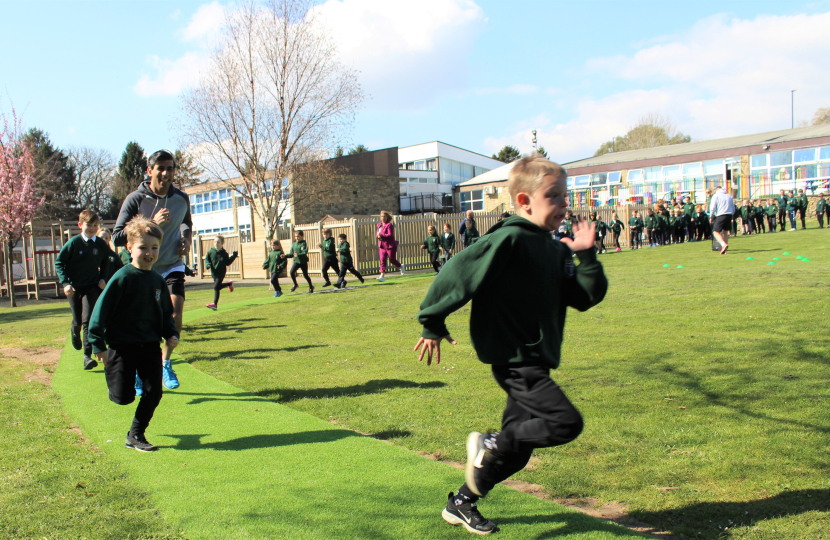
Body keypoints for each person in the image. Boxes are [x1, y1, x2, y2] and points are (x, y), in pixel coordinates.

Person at [413, 155, 607, 536]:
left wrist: (585, 254)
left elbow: (585, 297)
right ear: (524, 201)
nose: (564, 204)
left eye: (565, 196)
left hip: (536, 360)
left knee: (517, 455)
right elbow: (457, 273)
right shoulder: (509, 238)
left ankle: (461, 503)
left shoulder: (555, 249)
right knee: (565, 423)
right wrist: (432, 322)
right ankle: (491, 441)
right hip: (516, 360)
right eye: (554, 196)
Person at [88, 216, 179, 452]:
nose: (149, 253)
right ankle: (115, 379)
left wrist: (170, 333)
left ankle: (136, 434)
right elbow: (101, 311)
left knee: (154, 392)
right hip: (122, 345)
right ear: (129, 248)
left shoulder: (158, 281)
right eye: (143, 248)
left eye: (154, 248)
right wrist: (97, 343)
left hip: (149, 344)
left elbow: (165, 313)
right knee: (123, 397)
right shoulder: (123, 277)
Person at [112, 149, 190, 391]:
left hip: (171, 265)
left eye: (171, 168)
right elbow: (116, 237)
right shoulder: (135, 199)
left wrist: (185, 238)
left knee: (175, 313)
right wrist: (152, 223)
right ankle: (137, 370)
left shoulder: (181, 198)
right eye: (161, 168)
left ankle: (166, 362)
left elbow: (186, 222)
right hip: (143, 269)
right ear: (150, 171)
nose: (166, 173)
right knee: (141, 321)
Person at [54, 209, 110, 370]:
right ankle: (74, 331)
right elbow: (59, 263)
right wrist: (65, 283)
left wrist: (103, 278)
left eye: (95, 225)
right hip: (74, 287)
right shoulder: (73, 243)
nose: (92, 228)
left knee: (88, 320)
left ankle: (87, 356)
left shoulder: (100, 244)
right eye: (89, 225)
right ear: (80, 225)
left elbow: (106, 261)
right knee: (78, 320)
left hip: (92, 287)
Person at [204, 235, 237, 310]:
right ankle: (229, 284)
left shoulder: (224, 253)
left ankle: (214, 304)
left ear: (222, 243)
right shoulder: (211, 252)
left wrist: (234, 256)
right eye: (215, 242)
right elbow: (207, 260)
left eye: (218, 242)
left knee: (216, 287)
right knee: (218, 287)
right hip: (214, 273)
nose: (216, 244)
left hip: (221, 273)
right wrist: (207, 265)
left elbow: (228, 263)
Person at [376, 211, 405, 282]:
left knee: (392, 260)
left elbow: (390, 235)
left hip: (390, 245)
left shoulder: (389, 225)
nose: (383, 218)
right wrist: (378, 236)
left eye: (384, 216)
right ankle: (382, 276)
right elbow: (377, 234)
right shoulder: (379, 225)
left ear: (387, 217)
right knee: (382, 261)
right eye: (382, 216)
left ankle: (401, 266)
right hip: (382, 245)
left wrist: (381, 234)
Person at [709, 185, 735, 254]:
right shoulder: (729, 196)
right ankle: (724, 250)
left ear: (716, 190)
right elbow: (733, 207)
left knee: (715, 231)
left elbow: (712, 207)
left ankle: (723, 244)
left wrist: (711, 216)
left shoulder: (716, 195)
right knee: (725, 232)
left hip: (721, 214)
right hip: (729, 214)